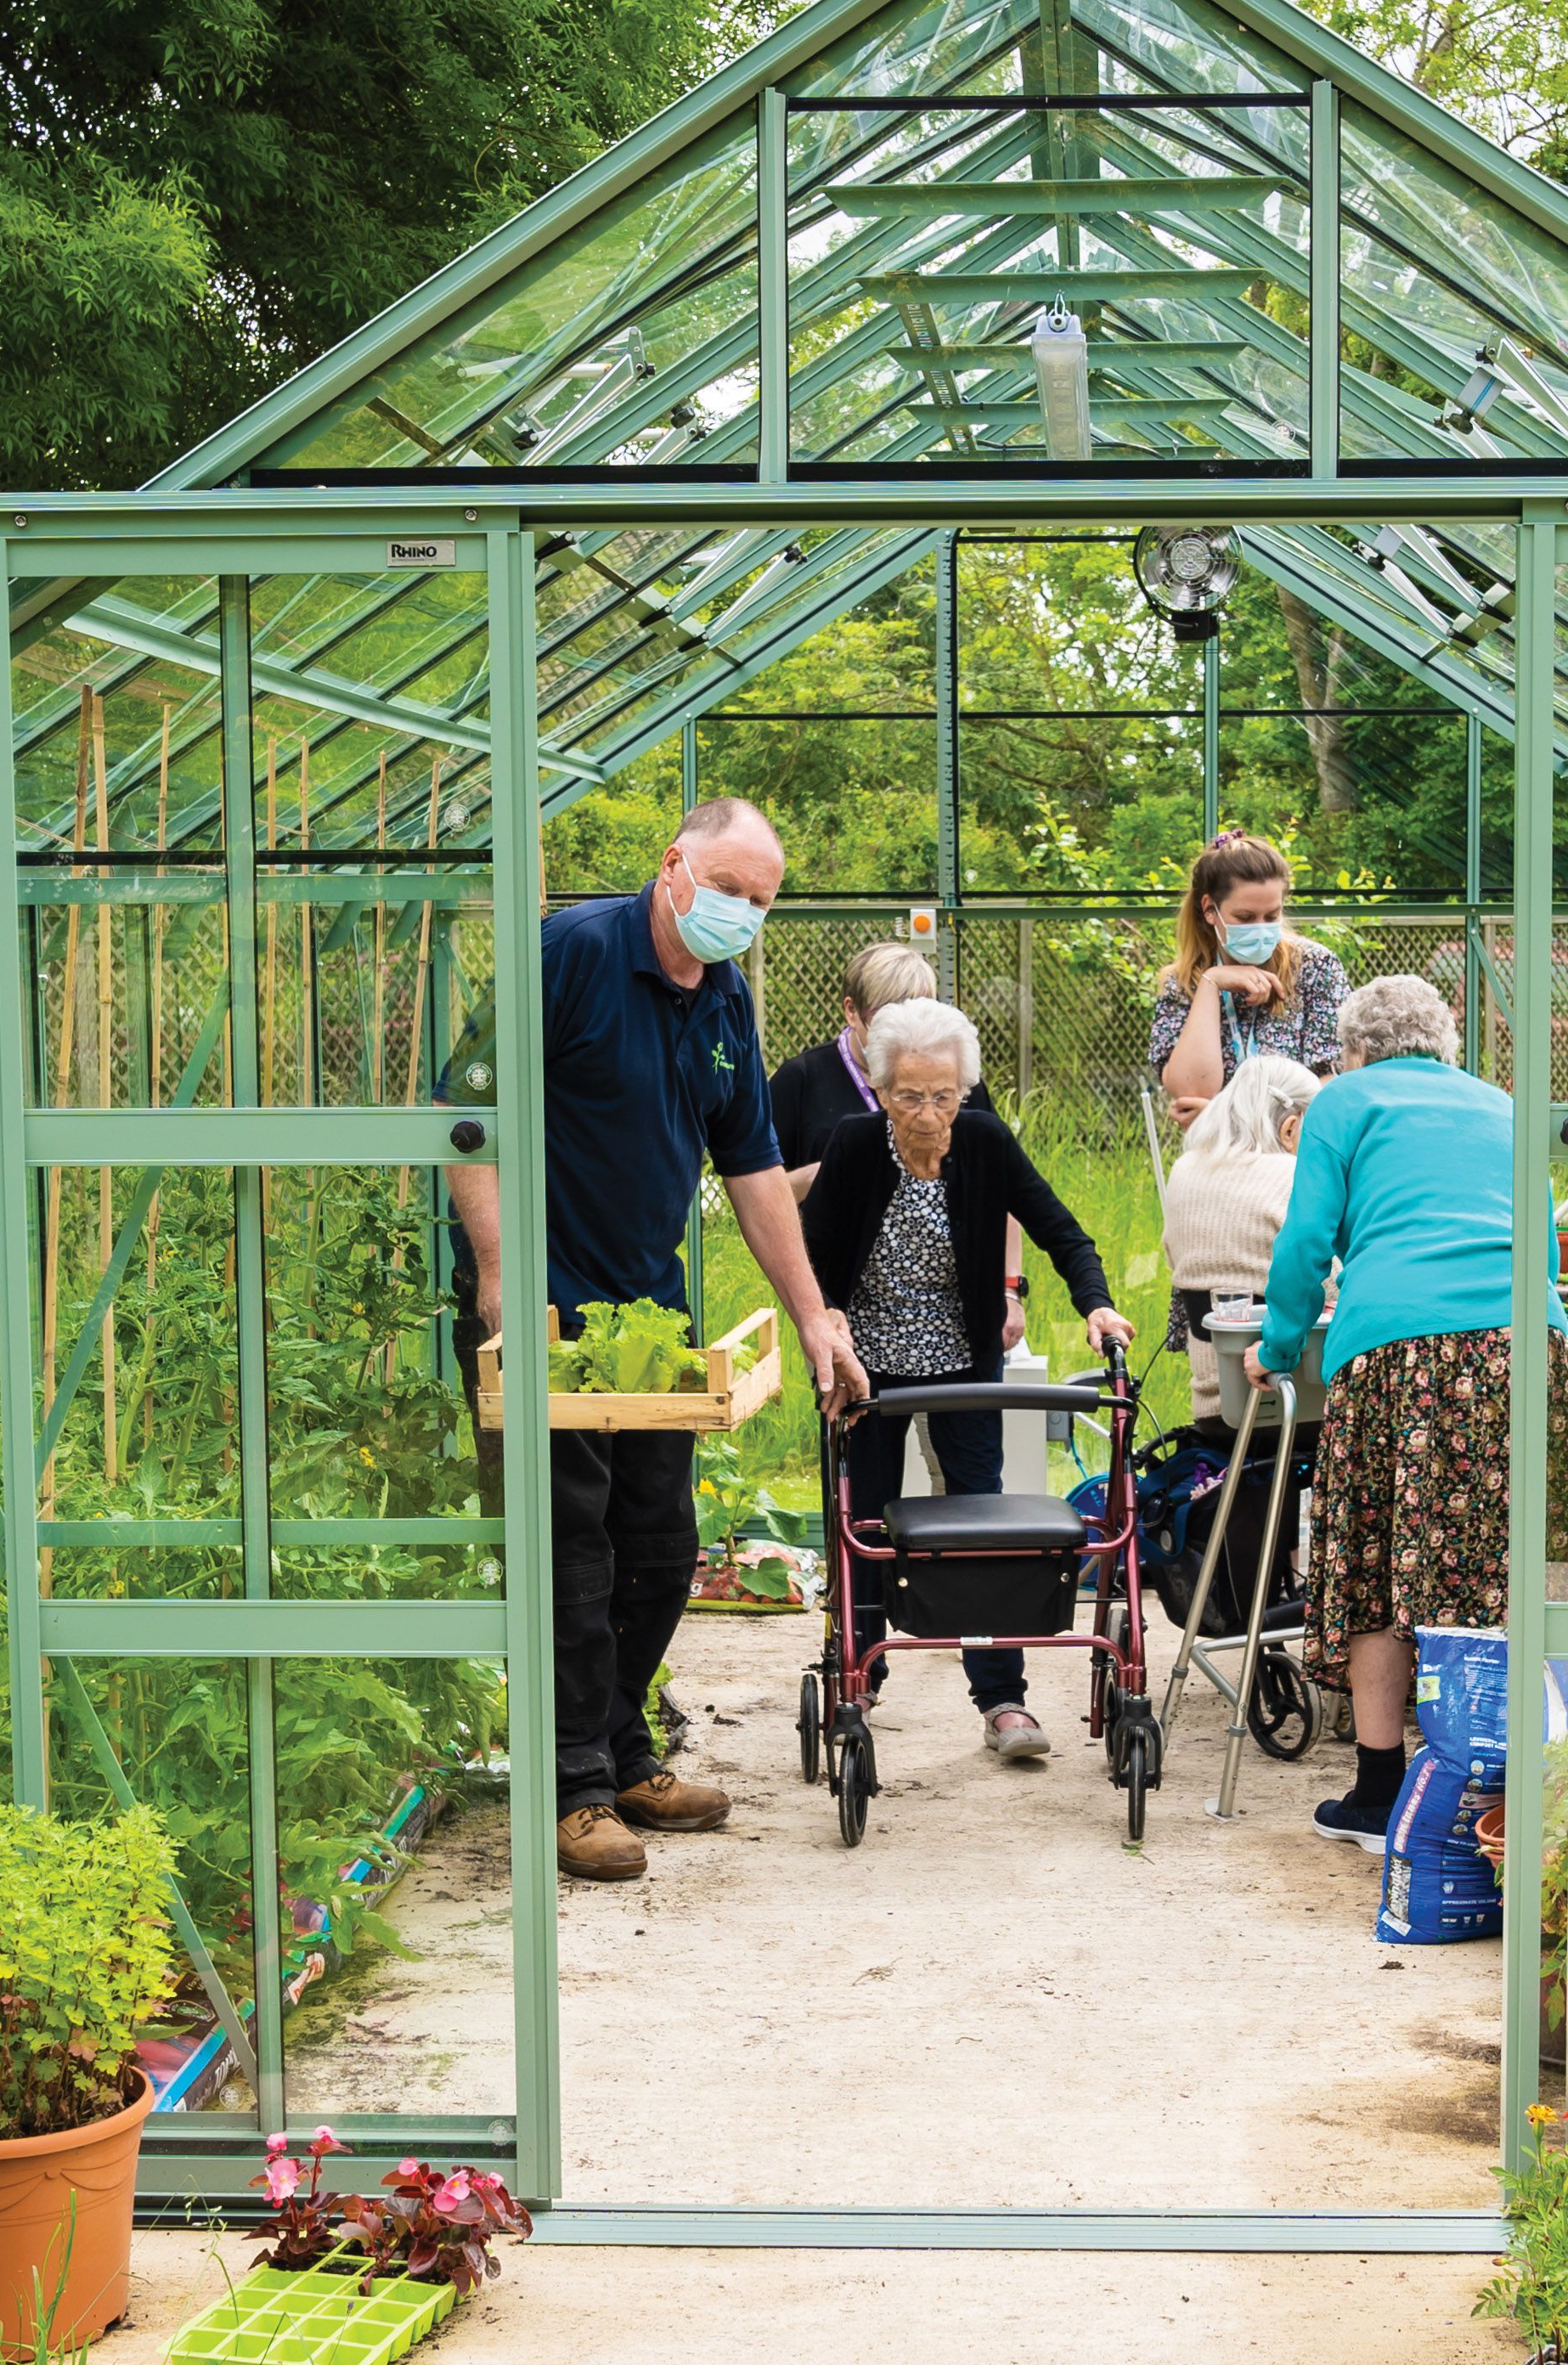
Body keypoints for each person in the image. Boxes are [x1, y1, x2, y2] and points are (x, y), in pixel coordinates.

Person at [445, 798, 869, 1885]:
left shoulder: (723, 999)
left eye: (760, 902)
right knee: (567, 1550)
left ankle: (623, 1750)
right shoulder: (570, 954)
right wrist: (498, 1274)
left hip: (647, 1313)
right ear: (673, 865)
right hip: (543, 1308)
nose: (741, 914)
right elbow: (467, 1116)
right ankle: (572, 1786)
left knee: (661, 1545)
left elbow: (755, 1171)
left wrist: (812, 1311)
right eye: (727, 888)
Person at [1251, 973, 1568, 1846]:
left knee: (1376, 1566)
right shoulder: (1504, 1104)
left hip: (1399, 1356)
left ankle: (1380, 1793)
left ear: (1352, 1051)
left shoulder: (1343, 1102)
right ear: (1448, 1045)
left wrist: (1276, 1349)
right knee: (1512, 1569)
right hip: (1522, 1349)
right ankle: (1506, 1784)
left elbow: (1307, 1240)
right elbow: (1540, 1242)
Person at [794, 997, 1132, 1765]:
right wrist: (829, 1322)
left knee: (980, 1527)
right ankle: (861, 1677)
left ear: (964, 1090)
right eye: (909, 1094)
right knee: (868, 1524)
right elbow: (811, 1259)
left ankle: (1002, 1696)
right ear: (880, 1089)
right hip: (867, 1369)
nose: (927, 1110)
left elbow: (1058, 1228)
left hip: (963, 1365)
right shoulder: (850, 1147)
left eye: (943, 1094)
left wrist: (1098, 1304)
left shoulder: (983, 1140)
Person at [1160, 1051, 1317, 1427]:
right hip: (1292, 1404)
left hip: (1214, 1409)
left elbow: (1171, 1255)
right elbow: (1328, 1285)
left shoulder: (1183, 1171)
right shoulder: (1291, 1174)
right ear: (1290, 1128)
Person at [1146, 833, 1344, 1128]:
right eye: (1245, 917)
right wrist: (1211, 984)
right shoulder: (1183, 983)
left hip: (1293, 1157)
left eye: (1271, 915)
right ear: (1210, 910)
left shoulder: (1316, 967)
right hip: (1216, 1161)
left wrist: (1227, 1120)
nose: (1261, 929)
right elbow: (1192, 1091)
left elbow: (1332, 1085)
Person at [769, 940, 948, 1199]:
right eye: (887, 1021)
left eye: (919, 1018)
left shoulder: (954, 1080)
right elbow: (757, 1192)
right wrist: (823, 1175)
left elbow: (997, 1182)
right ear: (852, 1011)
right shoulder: (801, 1079)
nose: (903, 1035)